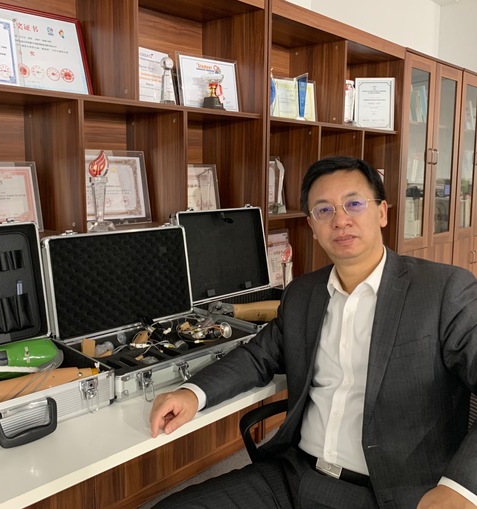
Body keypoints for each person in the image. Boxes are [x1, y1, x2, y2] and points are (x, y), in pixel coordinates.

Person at [149, 156, 477, 509]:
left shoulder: (443, 290)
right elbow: (258, 357)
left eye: (354, 204)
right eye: (324, 210)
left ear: (382, 212)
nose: (340, 220)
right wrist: (192, 393)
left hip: (395, 494)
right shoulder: (302, 293)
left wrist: (460, 488)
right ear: (312, 226)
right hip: (295, 475)